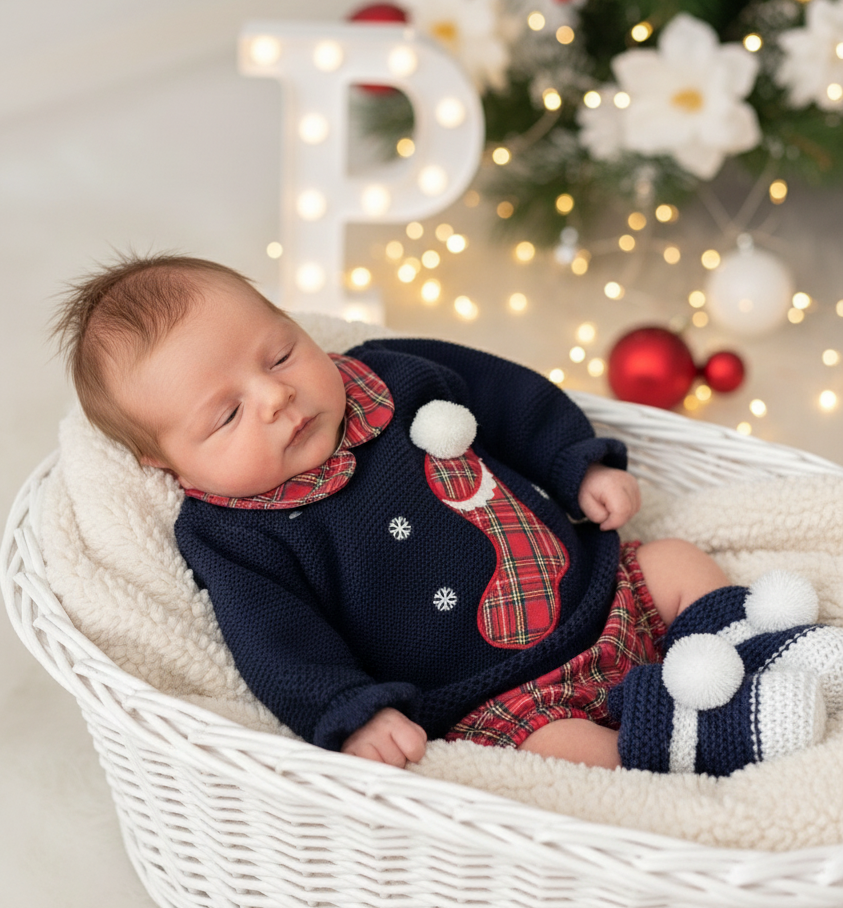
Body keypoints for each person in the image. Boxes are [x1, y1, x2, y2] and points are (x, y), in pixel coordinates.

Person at [52, 252, 840, 776]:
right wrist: (351, 714)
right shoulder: (231, 535)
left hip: (600, 593)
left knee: (675, 562)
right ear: (166, 466)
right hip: (505, 696)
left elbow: (508, 396)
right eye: (226, 416)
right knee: (572, 756)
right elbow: (276, 643)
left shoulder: (391, 376)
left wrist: (577, 463)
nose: (275, 397)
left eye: (281, 353)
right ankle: (698, 736)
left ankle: (761, 654)